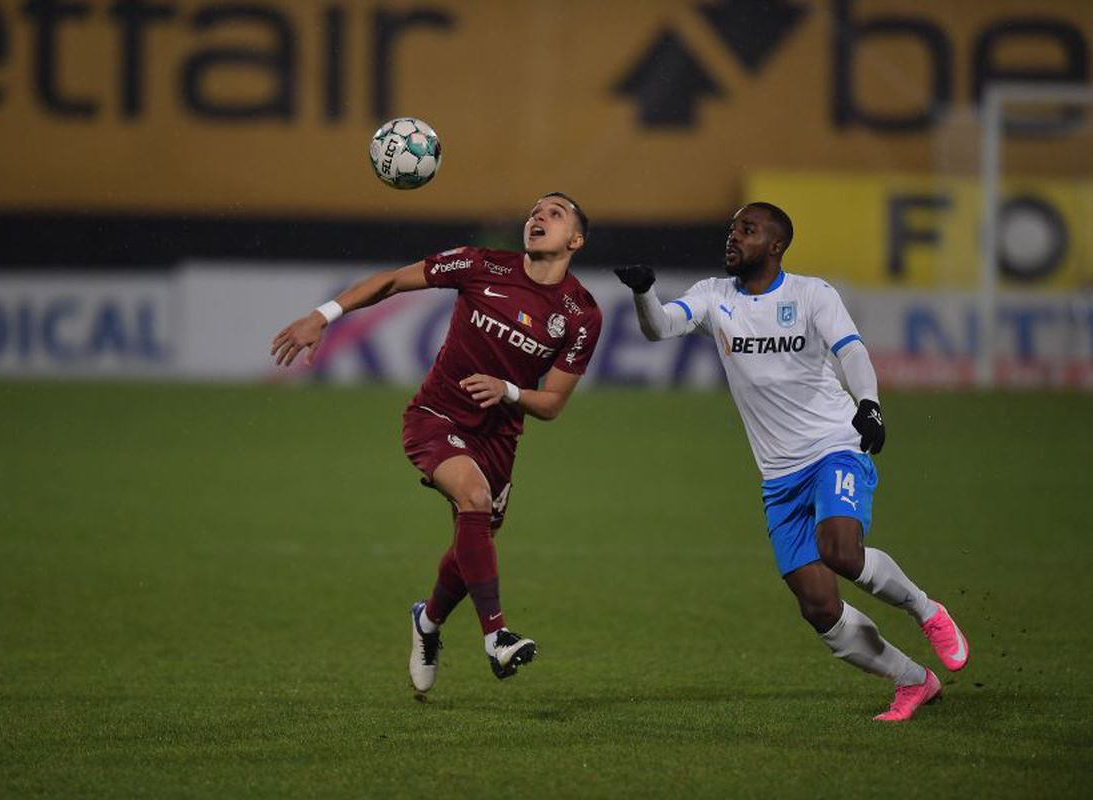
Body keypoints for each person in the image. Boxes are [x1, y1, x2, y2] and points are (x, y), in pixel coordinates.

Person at [614, 202, 969, 722]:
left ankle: (927, 611)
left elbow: (852, 351)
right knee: (819, 607)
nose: (733, 237)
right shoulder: (715, 296)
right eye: (733, 228)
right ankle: (914, 682)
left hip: (834, 445)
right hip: (779, 477)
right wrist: (645, 291)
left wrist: (869, 403)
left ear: (776, 245)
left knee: (842, 551)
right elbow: (660, 328)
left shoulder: (811, 294)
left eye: (748, 230)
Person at [272, 193, 602, 693]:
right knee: (474, 498)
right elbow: (389, 282)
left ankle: (427, 621)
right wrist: (323, 314)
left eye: (554, 214)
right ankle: (496, 636)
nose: (538, 217)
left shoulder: (580, 315)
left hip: (498, 436)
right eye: (535, 210)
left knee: (471, 540)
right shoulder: (479, 264)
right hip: (435, 416)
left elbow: (553, 403)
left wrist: (508, 390)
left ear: (574, 240)